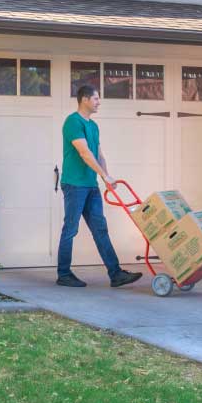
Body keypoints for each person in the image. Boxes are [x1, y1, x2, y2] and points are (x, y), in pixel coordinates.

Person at [56, 85, 142, 288]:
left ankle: (116, 274)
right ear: (85, 99)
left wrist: (106, 178)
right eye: (95, 98)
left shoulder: (93, 126)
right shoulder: (73, 122)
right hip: (74, 185)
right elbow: (85, 153)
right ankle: (64, 274)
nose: (98, 102)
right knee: (70, 229)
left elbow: (99, 154)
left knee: (100, 229)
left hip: (90, 185)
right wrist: (103, 175)